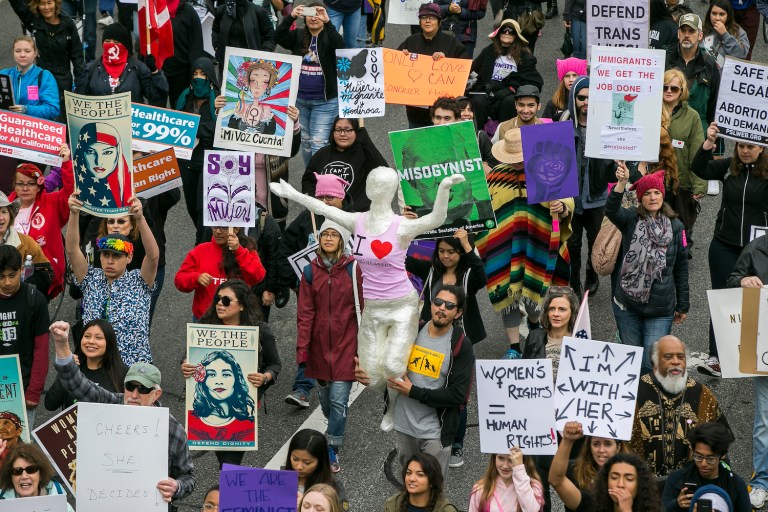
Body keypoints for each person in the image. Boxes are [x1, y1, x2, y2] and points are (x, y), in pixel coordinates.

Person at [271, 166, 465, 432]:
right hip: (372, 308)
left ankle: (393, 409)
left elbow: (436, 219)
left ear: (391, 190)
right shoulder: (358, 221)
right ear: (369, 188)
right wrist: (291, 193)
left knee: (394, 365)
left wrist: (444, 189)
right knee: (372, 377)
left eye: (383, 184)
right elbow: (323, 208)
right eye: (374, 183)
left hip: (401, 305)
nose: (377, 188)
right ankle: (390, 390)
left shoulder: (401, 227)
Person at [49, 320, 195, 504]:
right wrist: (62, 344)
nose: (134, 394)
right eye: (129, 386)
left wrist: (177, 486)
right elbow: (77, 385)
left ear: (156, 394)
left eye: (142, 389)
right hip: (102, 502)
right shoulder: (110, 404)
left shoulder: (173, 429)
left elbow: (188, 476)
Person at [357, 285, 474, 480]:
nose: (441, 308)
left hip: (435, 432)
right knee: (410, 486)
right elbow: (388, 367)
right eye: (438, 302)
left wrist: (414, 392)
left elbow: (458, 394)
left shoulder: (461, 344)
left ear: (458, 312)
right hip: (404, 427)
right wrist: (368, 375)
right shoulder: (412, 331)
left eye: (449, 305)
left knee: (431, 491)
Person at [475, 129, 574, 358]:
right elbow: (484, 208)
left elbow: (566, 199)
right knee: (507, 293)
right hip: (505, 244)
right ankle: (513, 348)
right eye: (513, 158)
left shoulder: (545, 171)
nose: (517, 162)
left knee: (535, 292)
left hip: (536, 240)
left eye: (520, 157)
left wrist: (562, 206)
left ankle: (535, 327)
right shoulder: (497, 175)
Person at [691, 122, 768, 377]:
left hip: (758, 249)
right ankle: (717, 357)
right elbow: (699, 168)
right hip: (724, 244)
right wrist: (709, 142)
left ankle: (757, 356)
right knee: (723, 301)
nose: (745, 151)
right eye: (742, 146)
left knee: (758, 301)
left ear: (761, 148)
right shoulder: (728, 168)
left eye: (751, 147)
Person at [405, 228, 486, 468]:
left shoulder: (468, 274)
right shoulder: (431, 271)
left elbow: (482, 278)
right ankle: (428, 434)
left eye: (451, 252)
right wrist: (407, 227)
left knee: (457, 397)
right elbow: (402, 258)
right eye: (441, 251)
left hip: (459, 344)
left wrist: (467, 244)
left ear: (460, 253)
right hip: (429, 340)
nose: (446, 256)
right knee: (428, 386)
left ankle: (456, 442)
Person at [181, 280, 280, 467]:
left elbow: (275, 365)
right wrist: (186, 364)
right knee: (224, 461)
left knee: (230, 463)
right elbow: (187, 356)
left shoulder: (260, 331)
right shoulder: (205, 326)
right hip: (206, 410)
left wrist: (265, 377)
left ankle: (227, 489)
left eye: (226, 300)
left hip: (242, 410)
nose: (219, 303)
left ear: (242, 305)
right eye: (218, 299)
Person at [607, 168, 688, 373]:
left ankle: (651, 404)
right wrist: (621, 183)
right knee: (632, 364)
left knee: (650, 363)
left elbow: (680, 266)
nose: (653, 197)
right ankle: (635, 404)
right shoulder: (630, 220)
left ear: (663, 195)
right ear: (640, 198)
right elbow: (611, 210)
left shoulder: (676, 226)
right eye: (647, 193)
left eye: (657, 192)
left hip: (660, 308)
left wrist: (683, 304)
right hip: (627, 304)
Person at [296, 220, 361, 473]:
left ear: (342, 240)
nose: (329, 238)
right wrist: (303, 349)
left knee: (337, 401)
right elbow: (305, 313)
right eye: (325, 235)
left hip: (347, 344)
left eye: (335, 235)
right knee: (325, 400)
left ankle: (332, 448)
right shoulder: (310, 272)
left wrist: (365, 348)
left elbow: (364, 307)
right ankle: (333, 428)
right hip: (319, 348)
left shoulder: (354, 269)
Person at [65, 194, 159, 365]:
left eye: (116, 256)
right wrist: (74, 214)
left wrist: (140, 218)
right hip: (95, 366)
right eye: (106, 255)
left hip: (132, 368)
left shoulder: (140, 281)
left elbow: (153, 256)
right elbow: (72, 250)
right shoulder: (90, 279)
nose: (110, 260)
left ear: (129, 258)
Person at [630, 336, 731, 477]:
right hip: (642, 486)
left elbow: (722, 445)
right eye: (668, 357)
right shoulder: (632, 392)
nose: (676, 362)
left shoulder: (703, 394)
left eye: (681, 357)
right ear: (655, 363)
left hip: (690, 486)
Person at [560, 77, 615, 298]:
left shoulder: (606, 127)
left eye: (591, 98)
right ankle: (574, 280)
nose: (585, 102)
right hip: (571, 197)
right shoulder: (563, 123)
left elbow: (611, 168)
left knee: (595, 240)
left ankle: (591, 275)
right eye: (581, 97)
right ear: (574, 98)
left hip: (596, 195)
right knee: (572, 243)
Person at [726, 230, 768, 509]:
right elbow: (730, 282)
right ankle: (763, 480)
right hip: (764, 347)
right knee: (764, 420)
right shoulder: (755, 248)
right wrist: (743, 280)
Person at [277, 3, 345, 166]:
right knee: (306, 144)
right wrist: (290, 17)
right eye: (310, 14)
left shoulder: (330, 36)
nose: (314, 17)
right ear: (304, 17)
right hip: (300, 101)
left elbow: (342, 48)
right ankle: (311, 181)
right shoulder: (298, 35)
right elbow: (278, 37)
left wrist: (328, 23)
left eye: (318, 14)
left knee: (319, 144)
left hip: (326, 102)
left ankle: (319, 186)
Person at [550, 421, 661, 512]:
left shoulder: (650, 508)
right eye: (614, 477)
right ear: (604, 481)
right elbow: (556, 481)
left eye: (629, 478)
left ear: (640, 484)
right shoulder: (591, 505)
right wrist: (567, 440)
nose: (620, 484)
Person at [9, 150, 72, 300]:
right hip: (8, 274)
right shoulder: (5, 207)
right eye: (20, 184)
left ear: (39, 186)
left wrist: (66, 163)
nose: (25, 188)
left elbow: (70, 192)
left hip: (41, 275)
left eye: (30, 184)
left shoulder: (53, 202)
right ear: (14, 186)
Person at [7, 0, 84, 120]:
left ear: (56, 3)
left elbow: (77, 56)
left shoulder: (68, 24)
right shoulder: (34, 21)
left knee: (60, 120)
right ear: (37, 5)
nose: (46, 7)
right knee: (39, 118)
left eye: (49, 3)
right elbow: (18, 6)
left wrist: (81, 88)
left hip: (62, 80)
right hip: (39, 79)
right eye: (42, 3)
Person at [0, 246, 50, 429]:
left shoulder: (34, 299)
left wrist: (34, 391)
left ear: (22, 270)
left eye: (12, 275)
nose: (7, 282)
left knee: (18, 449)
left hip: (23, 390)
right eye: (1, 277)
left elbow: (42, 349)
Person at [397, 3, 469, 128]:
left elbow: (464, 69)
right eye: (424, 17)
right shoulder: (410, 41)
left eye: (432, 17)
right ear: (419, 21)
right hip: (416, 110)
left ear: (439, 22)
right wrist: (401, 57)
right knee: (418, 143)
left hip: (444, 112)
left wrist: (446, 61)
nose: (428, 21)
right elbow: (393, 68)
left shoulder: (452, 43)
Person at [174, 227, 266, 321]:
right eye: (215, 227)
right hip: (205, 318)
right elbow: (179, 280)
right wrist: (196, 278)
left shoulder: (246, 250)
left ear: (236, 229)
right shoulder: (200, 250)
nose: (218, 231)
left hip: (236, 320)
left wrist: (239, 251)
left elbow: (258, 276)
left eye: (224, 228)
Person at [468, 19, 543, 128]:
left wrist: (510, 88)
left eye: (511, 31)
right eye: (504, 30)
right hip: (488, 89)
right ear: (499, 33)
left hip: (510, 90)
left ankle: (507, 136)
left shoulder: (524, 55)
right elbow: (473, 69)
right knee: (477, 101)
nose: (507, 33)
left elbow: (531, 79)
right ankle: (478, 135)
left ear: (516, 36)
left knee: (509, 102)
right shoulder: (489, 50)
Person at [301, 118, 388, 211]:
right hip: (325, 213)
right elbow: (308, 180)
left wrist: (366, 142)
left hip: (355, 216)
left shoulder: (364, 153)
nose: (342, 134)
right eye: (338, 130)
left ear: (356, 132)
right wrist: (316, 200)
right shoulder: (322, 153)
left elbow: (384, 171)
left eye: (348, 130)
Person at [662, 422, 750, 512]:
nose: (703, 463)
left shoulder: (736, 484)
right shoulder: (676, 478)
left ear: (722, 456)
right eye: (698, 456)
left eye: (710, 458)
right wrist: (676, 505)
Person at [44, 319, 128, 411]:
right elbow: (50, 404)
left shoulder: (123, 373)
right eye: (87, 336)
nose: (91, 341)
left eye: (98, 338)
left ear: (109, 342)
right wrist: (66, 371)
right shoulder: (73, 369)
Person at [663, 68, 706, 245]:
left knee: (680, 230)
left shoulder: (692, 116)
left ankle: (680, 261)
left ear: (682, 91)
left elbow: (698, 152)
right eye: (665, 87)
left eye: (674, 88)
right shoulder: (651, 111)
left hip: (682, 182)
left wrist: (699, 185)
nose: (668, 91)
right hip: (656, 181)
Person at [80, 23, 168, 105]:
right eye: (107, 41)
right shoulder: (91, 69)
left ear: (125, 45)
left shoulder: (138, 68)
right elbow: (79, 100)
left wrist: (155, 72)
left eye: (116, 42)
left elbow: (158, 99)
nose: (111, 45)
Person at [665, 14, 720, 140]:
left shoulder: (710, 63)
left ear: (700, 35)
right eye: (683, 31)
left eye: (691, 31)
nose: (687, 35)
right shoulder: (665, 59)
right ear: (678, 34)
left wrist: (713, 140)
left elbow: (714, 103)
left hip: (699, 133)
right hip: (668, 130)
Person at [0, 192, 52, 294]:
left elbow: (46, 274)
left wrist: (24, 289)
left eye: (4, 212)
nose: (1, 217)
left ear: (10, 215)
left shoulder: (27, 243)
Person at [283, 429, 348, 508]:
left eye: (307, 463)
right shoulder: (277, 480)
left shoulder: (334, 487)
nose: (299, 467)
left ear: (321, 461)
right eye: (295, 459)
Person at [468, 447, 545, 512]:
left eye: (511, 460)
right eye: (501, 458)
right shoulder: (481, 489)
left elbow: (531, 510)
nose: (505, 466)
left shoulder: (533, 486)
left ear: (522, 461)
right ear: (494, 459)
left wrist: (519, 469)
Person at [0, 36, 59, 120]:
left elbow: (53, 109)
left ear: (35, 53)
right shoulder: (3, 75)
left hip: (32, 129)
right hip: (8, 129)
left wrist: (27, 109)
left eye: (27, 51)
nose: (22, 55)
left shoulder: (44, 76)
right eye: (18, 51)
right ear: (13, 52)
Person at [0, 443, 73, 510]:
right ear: (11, 477)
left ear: (41, 475)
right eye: (17, 471)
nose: (24, 476)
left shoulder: (64, 508)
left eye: (31, 469)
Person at [212, 0, 276, 76]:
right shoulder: (222, 11)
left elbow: (270, 37)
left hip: (252, 66)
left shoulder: (258, 11)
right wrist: (217, 47)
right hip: (226, 65)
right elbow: (216, 29)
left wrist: (261, 56)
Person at [162, 0, 205, 108]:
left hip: (181, 73)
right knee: (155, 114)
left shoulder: (188, 12)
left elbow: (196, 47)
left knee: (180, 112)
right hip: (157, 72)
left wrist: (195, 73)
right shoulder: (152, 11)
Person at [383, 453, 459, 512]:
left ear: (432, 481)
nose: (412, 479)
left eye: (420, 475)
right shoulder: (392, 504)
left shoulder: (446, 510)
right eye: (409, 473)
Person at [702, 0, 749, 67]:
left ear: (728, 16)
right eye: (714, 13)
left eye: (721, 14)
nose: (717, 18)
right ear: (709, 14)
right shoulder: (702, 29)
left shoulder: (738, 32)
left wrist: (725, 35)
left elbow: (742, 54)